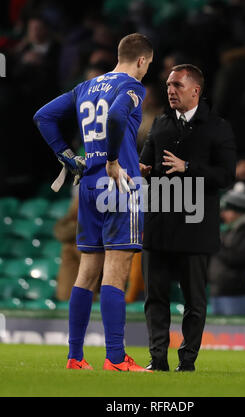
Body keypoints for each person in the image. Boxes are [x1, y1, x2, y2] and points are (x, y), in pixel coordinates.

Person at [34, 33, 153, 372]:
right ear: (142, 60)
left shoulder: (86, 87)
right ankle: (116, 358)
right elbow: (116, 118)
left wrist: (68, 156)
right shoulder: (132, 86)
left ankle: (75, 356)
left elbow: (42, 116)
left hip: (87, 184)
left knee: (86, 274)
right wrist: (116, 160)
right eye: (148, 65)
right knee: (115, 273)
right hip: (118, 185)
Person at [139, 64, 236, 371]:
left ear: (196, 90)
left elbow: (226, 176)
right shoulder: (160, 123)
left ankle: (188, 361)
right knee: (155, 298)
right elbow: (146, 163)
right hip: (159, 223)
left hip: (195, 227)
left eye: (177, 85)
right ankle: (157, 360)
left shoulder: (217, 127)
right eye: (168, 85)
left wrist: (188, 167)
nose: (170, 90)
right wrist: (142, 170)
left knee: (194, 300)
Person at [208, 184, 245, 316]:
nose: (223, 214)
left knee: (239, 334)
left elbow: (239, 258)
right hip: (220, 291)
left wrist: (216, 243)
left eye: (226, 210)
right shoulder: (232, 230)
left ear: (237, 210)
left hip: (238, 294)